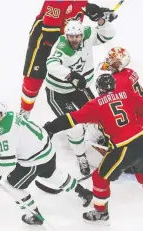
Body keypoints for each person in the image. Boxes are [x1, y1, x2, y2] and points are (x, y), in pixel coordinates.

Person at [43, 73, 143, 225]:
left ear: (99, 89)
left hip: (123, 148)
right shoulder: (127, 95)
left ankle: (101, 213)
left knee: (100, 178)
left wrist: (50, 128)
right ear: (114, 85)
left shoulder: (96, 104)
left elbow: (70, 119)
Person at [0, 102, 93, 226]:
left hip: (35, 161)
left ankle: (33, 215)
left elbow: (8, 164)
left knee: (11, 185)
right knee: (52, 174)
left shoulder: (1, 133)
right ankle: (83, 192)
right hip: (47, 151)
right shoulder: (12, 115)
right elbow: (14, 139)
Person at [44, 8, 116, 176]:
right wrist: (70, 75)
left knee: (100, 112)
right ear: (66, 35)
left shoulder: (87, 33)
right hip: (58, 92)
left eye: (77, 36)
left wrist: (101, 21)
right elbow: (51, 65)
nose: (74, 40)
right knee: (74, 126)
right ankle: (81, 156)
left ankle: (104, 136)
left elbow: (108, 34)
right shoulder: (62, 46)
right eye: (71, 36)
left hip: (79, 87)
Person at [20, 1, 116, 118]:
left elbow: (81, 9)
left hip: (71, 39)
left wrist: (100, 15)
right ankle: (24, 112)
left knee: (72, 73)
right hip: (43, 42)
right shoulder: (55, 2)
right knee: (34, 78)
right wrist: (71, 48)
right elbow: (50, 36)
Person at [98, 47, 143, 177]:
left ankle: (133, 158)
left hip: (140, 120)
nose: (109, 62)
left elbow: (113, 104)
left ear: (120, 63)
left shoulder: (118, 81)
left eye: (113, 60)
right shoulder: (129, 72)